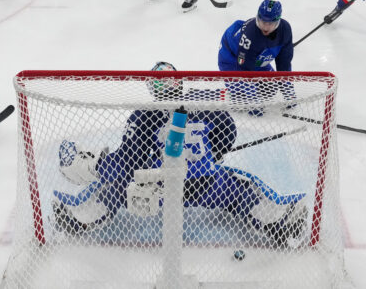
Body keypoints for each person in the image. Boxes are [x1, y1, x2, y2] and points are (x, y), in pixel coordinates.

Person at [51, 62, 307, 246]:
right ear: (180, 82)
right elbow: (228, 132)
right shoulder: (203, 103)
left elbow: (127, 162)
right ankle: (274, 220)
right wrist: (214, 155)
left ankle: (79, 217)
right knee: (242, 186)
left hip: (160, 188)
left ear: (153, 89)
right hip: (206, 184)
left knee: (115, 187)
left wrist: (97, 166)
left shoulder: (144, 115)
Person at [218, 0, 293, 72]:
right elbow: (245, 71)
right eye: (263, 22)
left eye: (270, 24)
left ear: (277, 22)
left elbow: (284, 64)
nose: (265, 28)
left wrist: (285, 79)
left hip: (256, 60)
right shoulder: (250, 35)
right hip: (231, 59)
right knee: (245, 80)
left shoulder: (285, 30)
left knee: (276, 81)